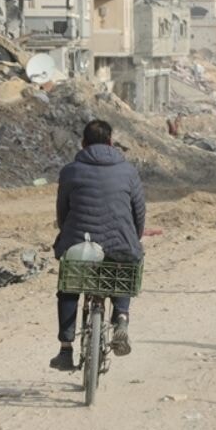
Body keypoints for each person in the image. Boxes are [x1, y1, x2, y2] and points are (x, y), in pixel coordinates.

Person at [50, 120, 145, 371]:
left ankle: (66, 349)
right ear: (111, 143)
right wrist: (135, 237)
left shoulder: (71, 171)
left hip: (80, 242)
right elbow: (139, 212)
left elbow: (63, 209)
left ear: (83, 143)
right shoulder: (128, 171)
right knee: (123, 268)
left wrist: (65, 235)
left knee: (69, 286)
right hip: (119, 242)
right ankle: (121, 317)